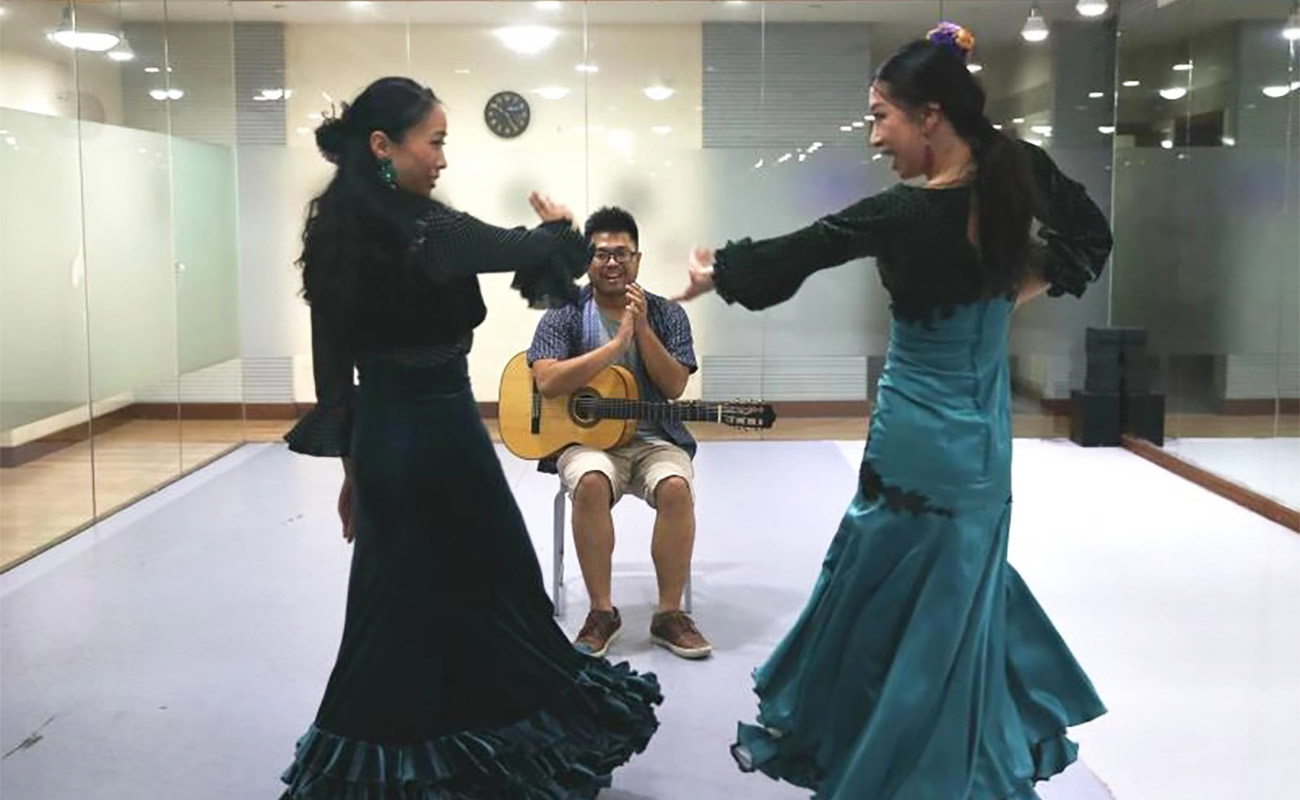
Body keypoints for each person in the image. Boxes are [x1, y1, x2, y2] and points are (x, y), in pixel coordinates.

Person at [674, 24, 1110, 800]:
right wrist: (1007, 295)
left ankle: (905, 763)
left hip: (916, 432)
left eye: (882, 116)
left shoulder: (906, 212)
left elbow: (808, 246)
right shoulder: (1017, 169)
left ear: (930, 115)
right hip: (983, 438)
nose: (875, 135)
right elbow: (1088, 235)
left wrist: (717, 272)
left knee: (892, 591)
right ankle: (951, 752)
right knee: (957, 590)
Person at [278, 77, 660, 799]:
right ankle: (480, 761)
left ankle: (385, 770)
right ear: (384, 146)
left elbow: (336, 377)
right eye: (438, 140)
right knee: (493, 593)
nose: (444, 158)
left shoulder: (333, 232)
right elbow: (532, 250)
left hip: (388, 445)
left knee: (394, 610)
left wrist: (356, 472)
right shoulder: (428, 229)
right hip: (444, 438)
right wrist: (564, 225)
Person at [528, 206, 712, 660]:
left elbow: (672, 386)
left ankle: (669, 615)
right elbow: (547, 380)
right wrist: (613, 347)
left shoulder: (667, 314)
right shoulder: (564, 314)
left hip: (655, 440)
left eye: (622, 254)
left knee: (675, 487)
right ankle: (602, 612)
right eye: (601, 254)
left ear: (638, 259)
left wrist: (642, 329)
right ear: (587, 260)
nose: (612, 263)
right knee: (590, 481)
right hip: (586, 443)